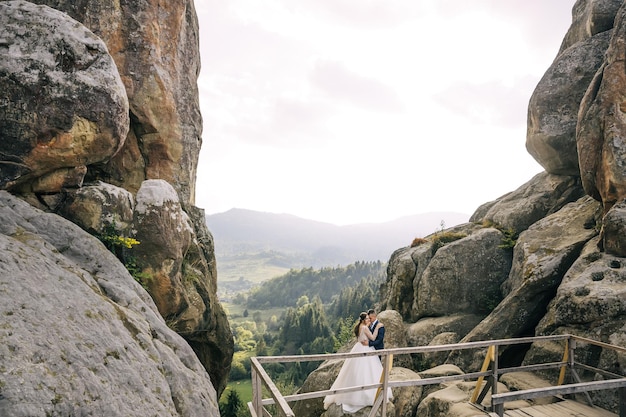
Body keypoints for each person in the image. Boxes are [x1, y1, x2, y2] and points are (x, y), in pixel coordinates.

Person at [323, 312, 393, 413]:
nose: (369, 320)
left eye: (370, 318)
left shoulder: (360, 326)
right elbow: (373, 338)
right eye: (368, 319)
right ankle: (367, 395)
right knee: (367, 370)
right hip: (365, 348)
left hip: (358, 348)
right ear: (364, 320)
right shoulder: (365, 327)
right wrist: (377, 328)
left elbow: (364, 333)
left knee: (356, 370)